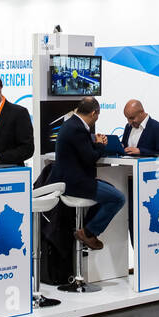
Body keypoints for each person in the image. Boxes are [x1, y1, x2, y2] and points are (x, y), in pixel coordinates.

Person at [49, 97, 124, 250]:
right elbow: (90, 158)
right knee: (118, 198)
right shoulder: (77, 128)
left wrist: (95, 143)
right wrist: (101, 145)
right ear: (94, 113)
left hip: (70, 180)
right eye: (97, 116)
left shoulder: (72, 124)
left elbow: (83, 151)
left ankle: (87, 230)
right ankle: (89, 233)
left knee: (109, 189)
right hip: (74, 183)